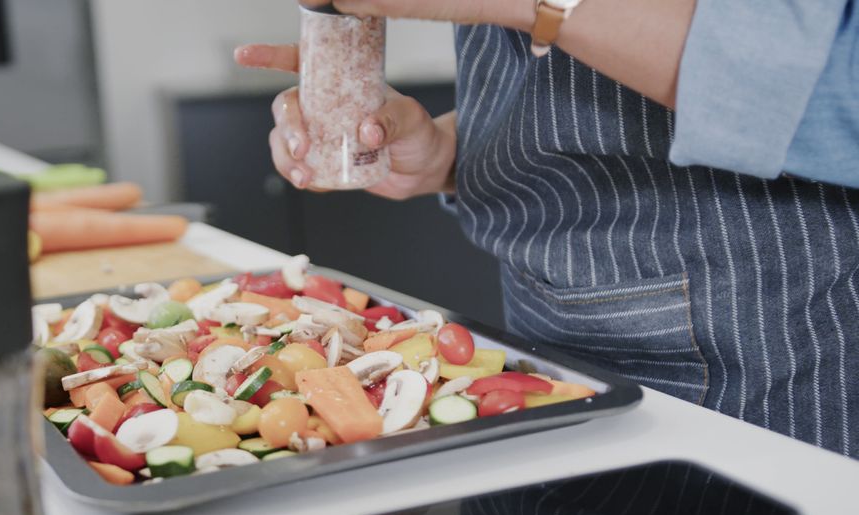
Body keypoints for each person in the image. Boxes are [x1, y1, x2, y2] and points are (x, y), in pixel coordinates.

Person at [236, 0, 859, 457]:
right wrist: (448, 152)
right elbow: (556, 102)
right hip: (541, 349)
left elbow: (839, 89)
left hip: (762, 364)